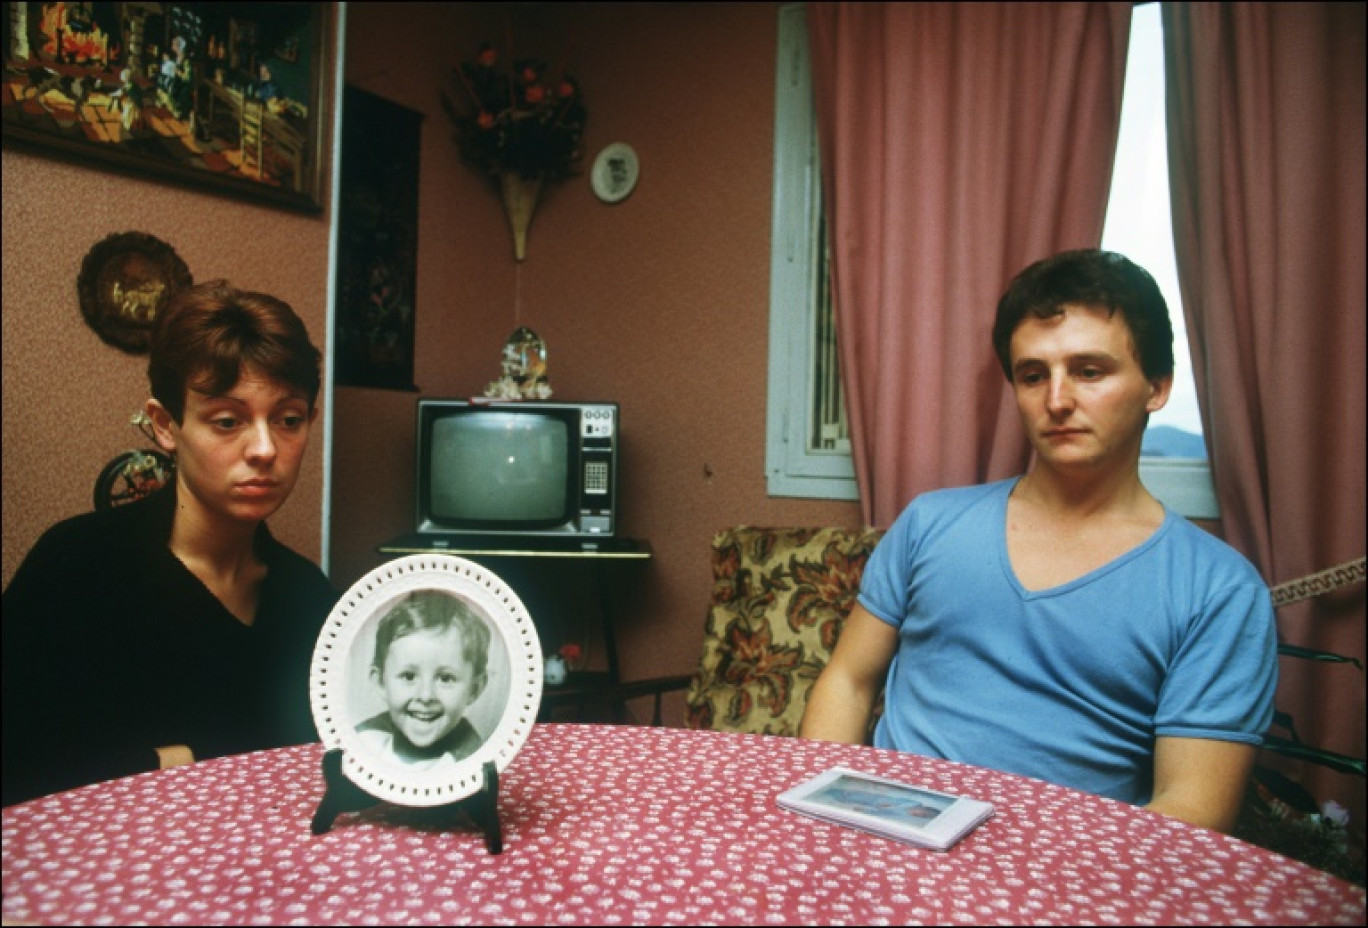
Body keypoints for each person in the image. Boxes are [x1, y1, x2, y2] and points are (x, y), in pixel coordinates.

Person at [800, 249, 1277, 834]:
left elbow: (1192, 810)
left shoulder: (1218, 589)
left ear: (1156, 387)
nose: (1057, 400)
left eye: (1090, 371)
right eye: (1033, 375)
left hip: (1063, 882)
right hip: (882, 843)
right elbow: (849, 681)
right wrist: (821, 821)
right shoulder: (930, 523)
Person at [2, 281, 338, 807]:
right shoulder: (76, 565)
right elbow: (20, 754)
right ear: (165, 425)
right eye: (228, 421)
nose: (266, 449)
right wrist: (178, 762)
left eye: (289, 419)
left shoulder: (309, 597)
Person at [355, 590, 490, 769]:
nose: (426, 696)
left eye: (446, 678)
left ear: (474, 689)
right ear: (380, 681)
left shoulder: (472, 764)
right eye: (409, 676)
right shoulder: (363, 741)